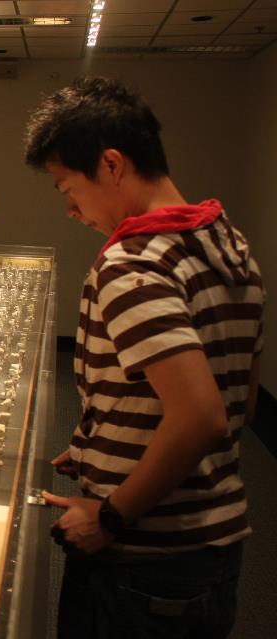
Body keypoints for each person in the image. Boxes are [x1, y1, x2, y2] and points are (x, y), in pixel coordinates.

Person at [24, 77, 264, 639]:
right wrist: (98, 440)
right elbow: (239, 406)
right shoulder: (228, 242)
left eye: (67, 188)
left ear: (110, 164)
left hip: (146, 553)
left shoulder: (132, 264)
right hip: (211, 535)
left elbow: (199, 415)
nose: (71, 210)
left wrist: (112, 513)